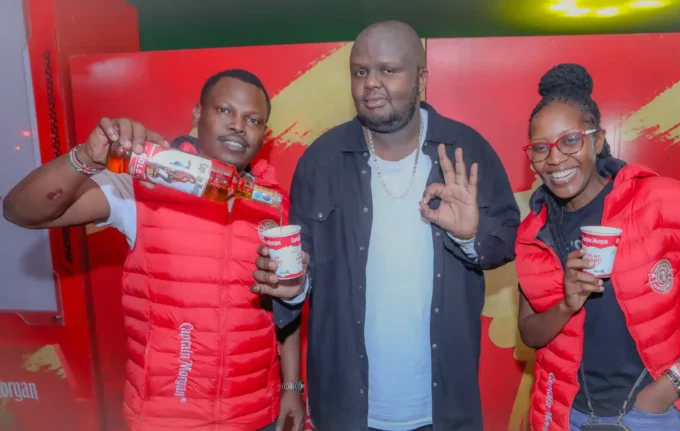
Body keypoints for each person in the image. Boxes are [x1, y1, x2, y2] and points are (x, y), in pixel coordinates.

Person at [251, 21, 521, 431]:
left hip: (443, 408)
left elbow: (503, 242)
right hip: (345, 408)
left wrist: (469, 235)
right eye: (360, 72)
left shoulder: (466, 152)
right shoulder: (320, 161)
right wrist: (294, 287)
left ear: (422, 79)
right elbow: (301, 270)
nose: (371, 83)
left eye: (388, 70)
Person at [3, 69, 305, 431]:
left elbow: (285, 308)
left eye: (252, 119)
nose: (238, 126)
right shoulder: (145, 181)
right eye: (225, 111)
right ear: (197, 114)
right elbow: (20, 210)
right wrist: (85, 157)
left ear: (264, 133)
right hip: (168, 418)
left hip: (257, 414)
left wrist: (291, 387)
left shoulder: (272, 202)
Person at [515, 63, 680, 431]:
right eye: (540, 147)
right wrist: (566, 305)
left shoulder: (663, 202)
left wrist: (664, 392)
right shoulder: (534, 234)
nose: (555, 159)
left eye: (570, 140)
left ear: (597, 141)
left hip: (655, 415)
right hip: (570, 416)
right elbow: (530, 333)